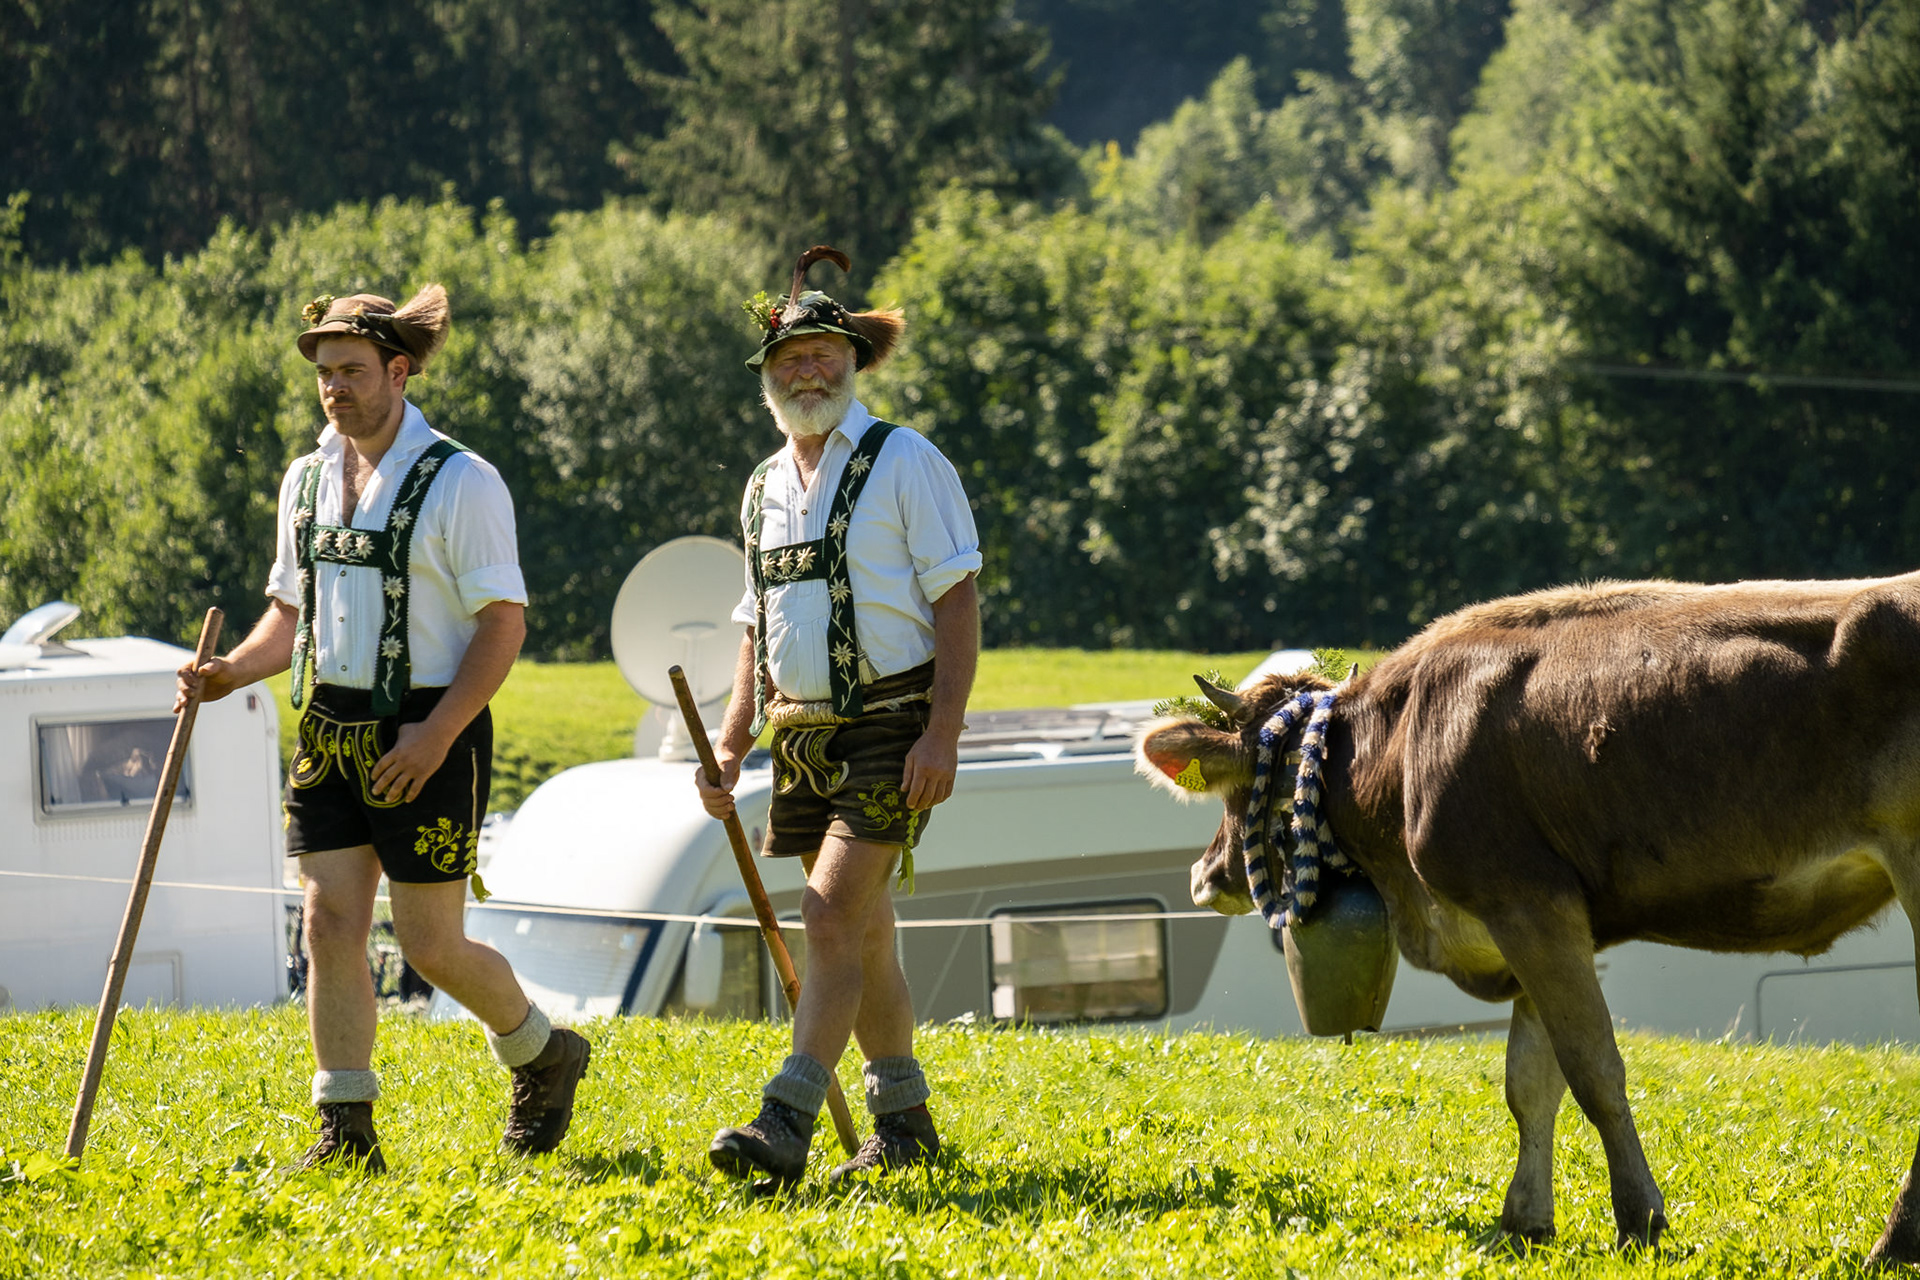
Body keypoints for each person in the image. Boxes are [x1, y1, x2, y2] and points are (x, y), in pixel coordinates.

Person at [174, 286, 589, 1172]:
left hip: (431, 723)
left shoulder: (463, 480)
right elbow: (291, 613)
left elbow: (503, 624)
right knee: (328, 924)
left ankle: (543, 1053)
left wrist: (435, 736)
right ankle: (346, 1127)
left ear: (399, 372)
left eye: (353, 371)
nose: (335, 388)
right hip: (329, 726)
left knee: (431, 946)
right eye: (325, 373)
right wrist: (232, 672)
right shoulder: (305, 479)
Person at [697, 246, 982, 1190]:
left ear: (853, 360)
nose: (807, 372)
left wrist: (943, 733)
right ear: (768, 379)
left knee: (824, 915)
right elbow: (757, 628)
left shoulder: (907, 459)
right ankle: (904, 1122)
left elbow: (957, 600)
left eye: (823, 355)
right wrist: (731, 740)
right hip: (801, 739)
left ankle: (785, 1122)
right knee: (861, 934)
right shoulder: (761, 488)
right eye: (790, 360)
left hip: (894, 726)